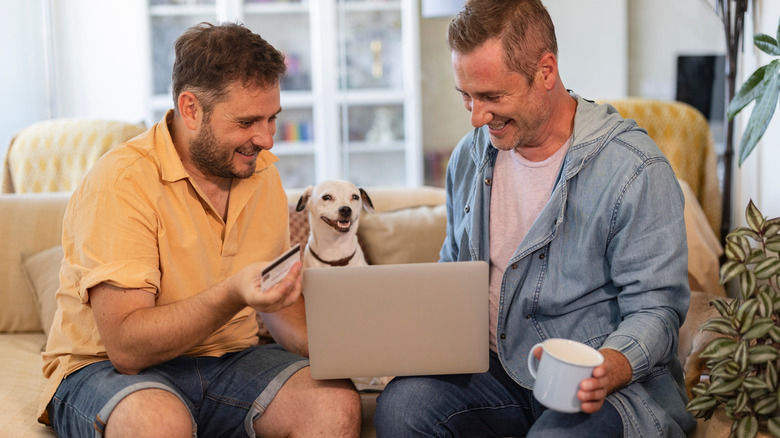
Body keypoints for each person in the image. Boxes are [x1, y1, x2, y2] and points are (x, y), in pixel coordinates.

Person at [374, 1, 696, 436]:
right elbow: (452, 270)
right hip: (493, 373)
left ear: (546, 72)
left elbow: (657, 308)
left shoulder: (635, 169)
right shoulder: (470, 156)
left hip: (603, 386)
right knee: (401, 408)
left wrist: (609, 367)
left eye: (492, 96)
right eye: (466, 95)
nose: (476, 116)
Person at [37, 22, 361, 437]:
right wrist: (232, 293)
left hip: (230, 359)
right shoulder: (122, 181)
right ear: (191, 109)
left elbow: (275, 305)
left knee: (334, 404)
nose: (267, 139)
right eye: (247, 122)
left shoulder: (262, 175)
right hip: (104, 368)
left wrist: (352, 349)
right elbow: (127, 347)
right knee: (157, 422)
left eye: (272, 118)